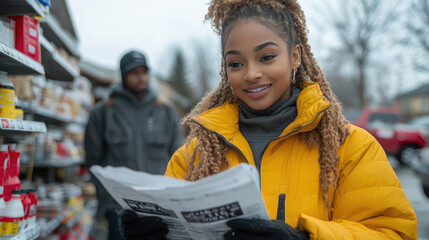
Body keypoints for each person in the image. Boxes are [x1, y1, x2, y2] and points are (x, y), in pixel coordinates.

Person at [119, 0, 417, 239]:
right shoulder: (194, 157)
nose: (250, 74)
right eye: (235, 63)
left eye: (266, 57)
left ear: (295, 56)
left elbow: (393, 233)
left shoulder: (351, 148)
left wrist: (305, 237)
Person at [85, 50, 184, 240]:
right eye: (134, 72)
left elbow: (177, 158)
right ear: (123, 76)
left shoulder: (165, 111)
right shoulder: (104, 112)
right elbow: (93, 161)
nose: (141, 77)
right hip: (119, 208)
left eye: (144, 72)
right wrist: (105, 197)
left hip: (159, 206)